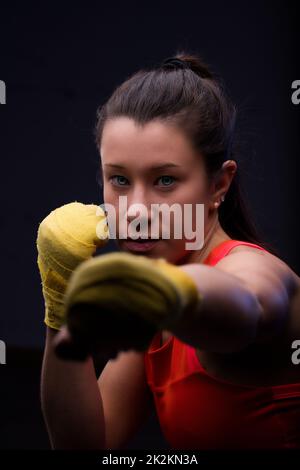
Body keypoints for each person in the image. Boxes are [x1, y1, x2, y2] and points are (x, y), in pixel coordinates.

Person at [37, 52, 300, 450]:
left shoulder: (250, 268)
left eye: (164, 180)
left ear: (219, 185)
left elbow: (249, 304)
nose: (136, 209)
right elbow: (84, 444)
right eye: (119, 179)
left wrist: (167, 292)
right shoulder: (155, 307)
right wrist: (58, 305)